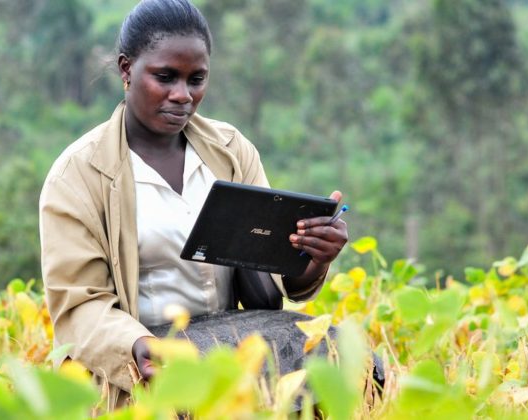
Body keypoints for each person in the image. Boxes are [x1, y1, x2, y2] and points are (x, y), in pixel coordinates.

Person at [39, 0, 348, 409]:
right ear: (127, 70)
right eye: (165, 77)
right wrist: (137, 346)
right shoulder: (79, 176)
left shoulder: (231, 151)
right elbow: (80, 306)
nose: (182, 95)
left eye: (196, 79)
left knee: (339, 353)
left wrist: (314, 257)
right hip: (144, 356)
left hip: (229, 338)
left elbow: (269, 279)